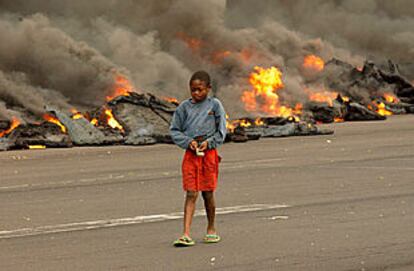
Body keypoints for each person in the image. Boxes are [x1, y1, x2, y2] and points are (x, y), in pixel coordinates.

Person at [170, 70, 227, 247]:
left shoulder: (215, 105)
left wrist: (209, 143)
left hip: (209, 154)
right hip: (191, 154)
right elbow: (174, 130)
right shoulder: (183, 108)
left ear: (208, 89)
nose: (196, 93)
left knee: (208, 193)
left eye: (200, 90)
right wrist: (189, 142)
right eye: (193, 90)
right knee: (191, 192)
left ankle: (211, 229)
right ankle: (186, 233)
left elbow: (222, 131)